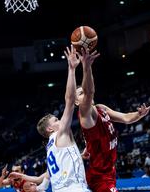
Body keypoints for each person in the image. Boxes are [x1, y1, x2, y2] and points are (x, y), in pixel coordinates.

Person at [9, 45, 91, 192]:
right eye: (56, 120)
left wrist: (23, 176)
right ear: (50, 128)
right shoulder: (61, 133)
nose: (60, 120)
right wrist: (72, 69)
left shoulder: (50, 149)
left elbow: (42, 178)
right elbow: (70, 100)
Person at [75, 48, 150, 192]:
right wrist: (86, 67)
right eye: (80, 94)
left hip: (108, 171)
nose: (84, 94)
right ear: (76, 102)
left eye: (82, 92)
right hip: (99, 176)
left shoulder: (101, 108)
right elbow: (89, 91)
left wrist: (139, 115)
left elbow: (125, 118)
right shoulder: (85, 114)